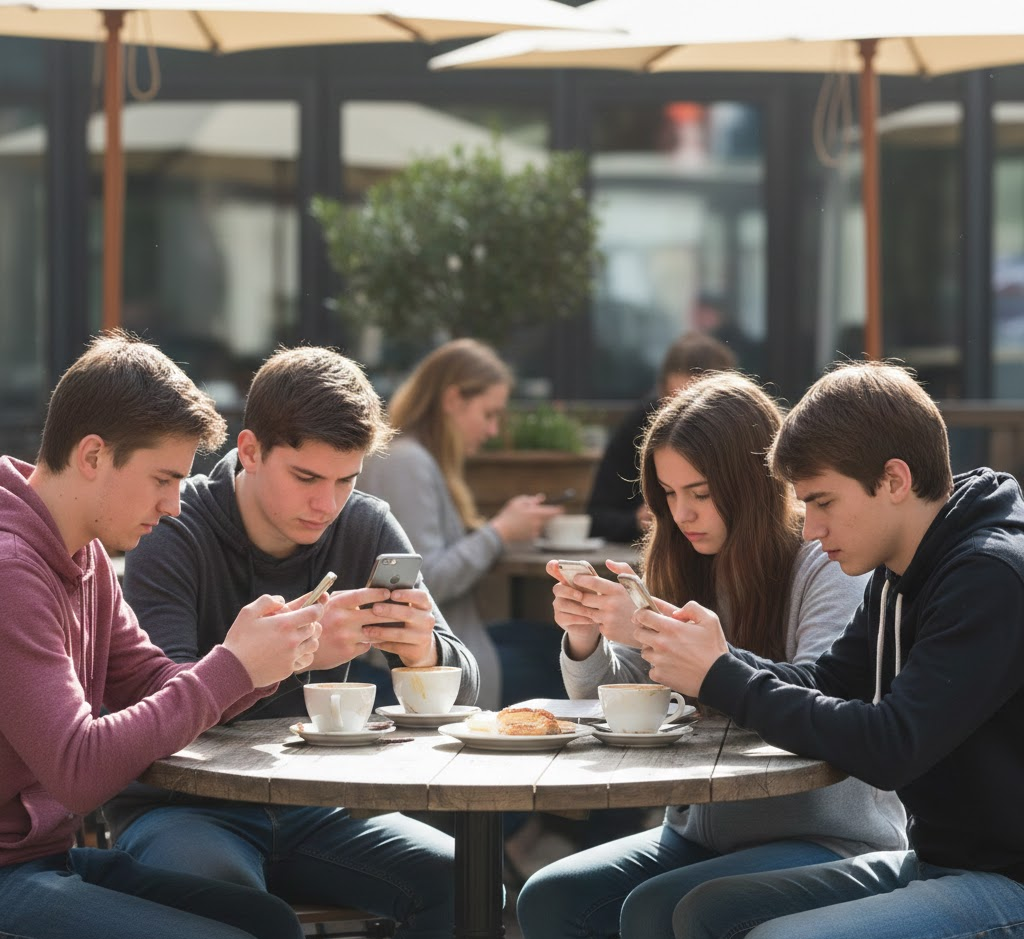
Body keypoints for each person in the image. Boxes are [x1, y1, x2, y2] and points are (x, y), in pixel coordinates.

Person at [635, 361, 1024, 939]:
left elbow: (893, 745)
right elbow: (827, 680)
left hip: (1005, 880)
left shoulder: (987, 576)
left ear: (894, 480)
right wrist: (713, 657)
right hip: (937, 861)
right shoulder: (902, 566)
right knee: (689, 911)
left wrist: (720, 677)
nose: (811, 528)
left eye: (823, 502)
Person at [517, 371, 908, 939]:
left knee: (656, 910)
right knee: (551, 899)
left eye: (700, 493)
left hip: (822, 833)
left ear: (753, 482)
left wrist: (656, 632)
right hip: (698, 829)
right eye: (669, 495)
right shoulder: (682, 557)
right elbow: (632, 696)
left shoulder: (826, 559)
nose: (683, 514)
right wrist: (589, 636)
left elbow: (820, 691)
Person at [107, 345, 479, 939]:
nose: (326, 504)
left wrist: (422, 653)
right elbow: (156, 709)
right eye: (306, 477)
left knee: (472, 885)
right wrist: (294, 657)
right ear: (250, 450)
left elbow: (466, 679)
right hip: (182, 807)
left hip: (318, 807)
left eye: (345, 480)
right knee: (240, 911)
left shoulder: (365, 524)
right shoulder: (174, 527)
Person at [0, 331, 320, 939]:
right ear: (93, 456)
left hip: (42, 859)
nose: (174, 506)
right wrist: (230, 666)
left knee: (267, 921)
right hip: (9, 875)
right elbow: (79, 768)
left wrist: (264, 661)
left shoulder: (83, 552)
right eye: (162, 479)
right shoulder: (11, 570)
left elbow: (151, 680)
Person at [359, 338, 563, 710]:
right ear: (453, 400)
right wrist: (499, 532)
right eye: (489, 414)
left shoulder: (420, 459)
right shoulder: (406, 463)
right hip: (427, 669)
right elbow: (429, 579)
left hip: (452, 646)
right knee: (562, 667)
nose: (493, 431)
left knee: (557, 643)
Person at [586, 332, 736, 543]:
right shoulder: (642, 426)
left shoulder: (741, 436)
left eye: (697, 405)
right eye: (669, 493)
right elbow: (596, 517)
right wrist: (636, 521)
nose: (684, 417)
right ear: (661, 396)